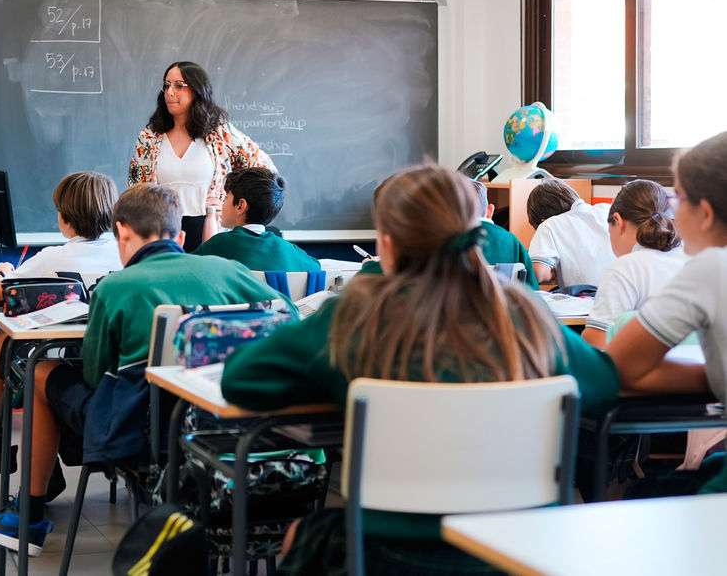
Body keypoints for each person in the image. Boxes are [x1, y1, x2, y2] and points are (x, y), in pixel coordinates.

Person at [220, 164, 619, 575]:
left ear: (388, 245)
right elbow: (605, 383)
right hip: (522, 550)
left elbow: (240, 379)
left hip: (386, 554)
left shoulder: (354, 316)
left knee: (303, 536)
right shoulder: (525, 315)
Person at [0, 184, 282, 555]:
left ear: (122, 231)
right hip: (224, 427)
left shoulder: (117, 287)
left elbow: (95, 373)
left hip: (137, 432)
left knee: (40, 369)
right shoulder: (229, 271)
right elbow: (286, 316)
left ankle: (26, 519)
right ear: (181, 237)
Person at [0, 171, 122, 477]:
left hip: (58, 362)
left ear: (65, 219)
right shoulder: (124, 253)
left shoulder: (52, 258)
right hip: (109, 365)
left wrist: (2, 272)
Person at [607, 132, 727, 494]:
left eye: (679, 198)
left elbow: (619, 366)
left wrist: (713, 377)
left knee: (635, 495)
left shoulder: (712, 267)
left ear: (705, 213)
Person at [128, 61, 275, 252]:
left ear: (197, 90)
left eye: (178, 85)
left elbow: (265, 168)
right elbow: (135, 192)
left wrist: (229, 201)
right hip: (162, 231)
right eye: (166, 85)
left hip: (210, 230)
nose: (169, 92)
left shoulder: (219, 134)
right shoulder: (149, 138)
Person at [582, 179, 686, 346]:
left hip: (646, 361)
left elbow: (597, 341)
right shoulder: (695, 258)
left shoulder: (625, 268)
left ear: (618, 221)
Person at [193, 167, 320, 273]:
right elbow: (316, 267)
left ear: (240, 206)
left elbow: (187, 266)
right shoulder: (290, 251)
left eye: (226, 198)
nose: (222, 204)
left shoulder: (218, 244)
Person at [527, 179, 615, 289]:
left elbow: (539, 274)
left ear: (543, 220)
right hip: (624, 292)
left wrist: (555, 272)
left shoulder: (549, 225)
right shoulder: (607, 209)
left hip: (586, 296)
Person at [468, 178, 539, 290]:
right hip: (502, 300)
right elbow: (533, 290)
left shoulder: (445, 239)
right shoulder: (512, 241)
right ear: (490, 211)